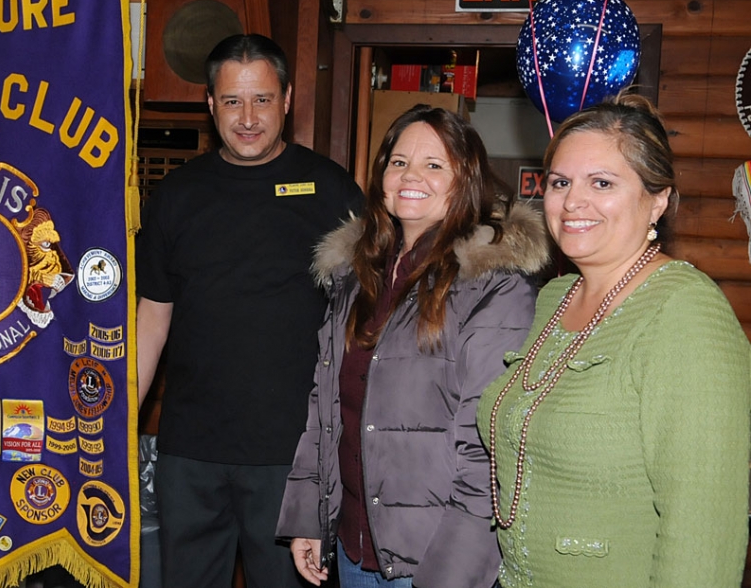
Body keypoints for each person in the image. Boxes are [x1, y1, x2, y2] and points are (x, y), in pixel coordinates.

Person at [478, 92, 751, 588]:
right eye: (560, 182)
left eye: (602, 182)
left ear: (658, 200)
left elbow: (703, 539)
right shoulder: (555, 298)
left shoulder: (687, 313)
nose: (572, 202)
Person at [276, 104, 551, 587]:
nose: (411, 175)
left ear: (464, 179)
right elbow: (325, 409)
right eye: (399, 161)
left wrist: (451, 577)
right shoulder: (357, 275)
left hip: (432, 562)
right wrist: (308, 515)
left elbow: (488, 454)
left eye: (434, 164)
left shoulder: (494, 289)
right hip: (354, 549)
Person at [135, 33, 365, 588]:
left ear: (287, 100)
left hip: (293, 456)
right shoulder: (174, 196)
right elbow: (152, 319)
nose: (248, 117)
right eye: (232, 101)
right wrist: (117, 427)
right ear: (210, 104)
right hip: (190, 453)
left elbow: (362, 324)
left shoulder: (332, 191)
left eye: (262, 99)